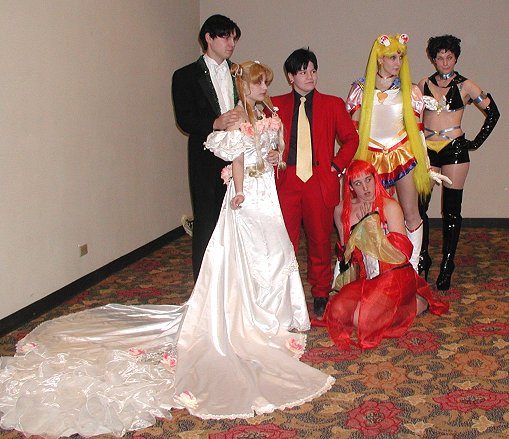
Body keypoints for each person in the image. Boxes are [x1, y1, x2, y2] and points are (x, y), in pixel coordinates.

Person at [0, 61, 334, 439]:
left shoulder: (268, 114)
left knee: (275, 252)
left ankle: (274, 314)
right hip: (249, 197)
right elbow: (238, 157)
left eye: (265, 83)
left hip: (268, 193)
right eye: (259, 83)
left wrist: (276, 157)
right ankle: (248, 318)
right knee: (248, 256)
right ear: (247, 87)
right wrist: (239, 190)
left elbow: (276, 151)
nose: (264, 88)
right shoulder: (238, 118)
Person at [313, 160, 448, 350]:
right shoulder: (341, 210)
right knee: (338, 312)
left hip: (393, 276)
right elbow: (346, 256)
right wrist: (339, 287)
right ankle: (391, 307)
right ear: (350, 187)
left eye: (368, 180)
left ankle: (416, 304)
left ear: (375, 179)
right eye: (358, 183)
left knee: (361, 320)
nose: (365, 188)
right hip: (366, 278)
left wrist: (372, 227)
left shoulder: (390, 206)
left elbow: (400, 255)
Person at [272, 48, 359, 318]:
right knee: (284, 240)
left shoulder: (332, 104)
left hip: (318, 180)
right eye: (303, 72)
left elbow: (351, 139)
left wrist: (336, 165)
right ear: (290, 77)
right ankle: (285, 292)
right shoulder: (274, 106)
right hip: (286, 179)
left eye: (313, 71)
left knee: (320, 240)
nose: (310, 76)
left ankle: (320, 292)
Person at [346, 34, 435, 273]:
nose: (398, 62)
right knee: (371, 214)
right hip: (370, 158)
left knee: (411, 212)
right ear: (380, 59)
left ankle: (411, 268)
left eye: (400, 57)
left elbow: (418, 130)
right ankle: (375, 270)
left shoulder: (410, 90)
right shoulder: (360, 89)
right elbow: (353, 131)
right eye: (392, 57)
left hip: (402, 155)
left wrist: (425, 162)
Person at [417, 35, 499, 290]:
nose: (444, 62)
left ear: (455, 58)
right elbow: (412, 115)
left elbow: (493, 112)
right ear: (433, 58)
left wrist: (475, 142)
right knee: (420, 207)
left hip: (454, 149)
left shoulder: (466, 86)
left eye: (449, 57)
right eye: (440, 57)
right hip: (428, 150)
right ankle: (423, 256)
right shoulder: (423, 83)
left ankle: (447, 264)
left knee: (451, 210)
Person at [172, 14, 242, 281]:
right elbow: (185, 119)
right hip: (205, 156)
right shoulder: (185, 76)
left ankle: (233, 282)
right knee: (207, 220)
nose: (231, 43)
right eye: (225, 37)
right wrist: (215, 123)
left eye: (234, 38)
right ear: (208, 38)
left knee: (237, 219)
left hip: (237, 155)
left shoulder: (239, 73)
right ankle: (204, 285)